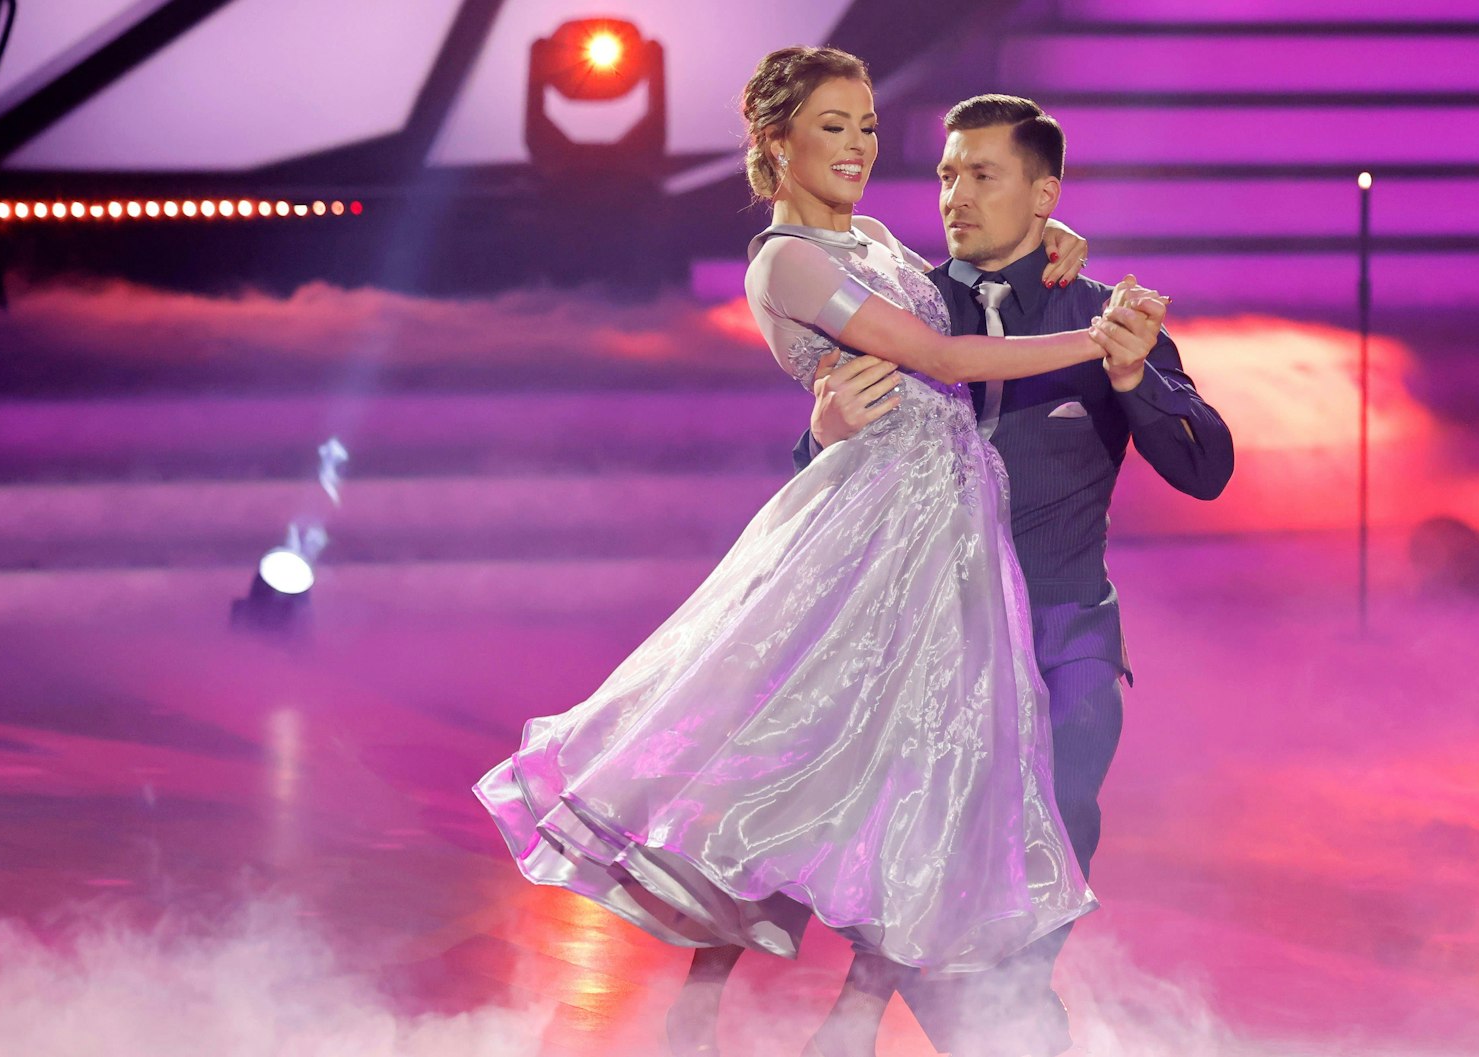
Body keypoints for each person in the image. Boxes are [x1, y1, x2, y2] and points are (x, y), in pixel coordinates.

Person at [472, 48, 1171, 1057]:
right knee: (788, 751)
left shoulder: (881, 239)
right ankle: (699, 1013)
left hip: (952, 535)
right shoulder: (784, 259)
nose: (856, 146)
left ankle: (846, 1018)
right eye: (832, 125)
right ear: (777, 142)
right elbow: (937, 356)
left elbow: (957, 291)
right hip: (873, 527)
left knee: (927, 771)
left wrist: (1050, 236)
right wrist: (1100, 338)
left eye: (866, 125)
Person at [797, 94, 1234, 1057]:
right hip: (928, 645)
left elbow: (1209, 467)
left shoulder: (1102, 321)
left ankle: (1000, 1005)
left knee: (1062, 801)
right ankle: (977, 1023)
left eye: (983, 174)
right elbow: (815, 481)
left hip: (1061, 630)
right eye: (948, 173)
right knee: (914, 831)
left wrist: (1134, 382)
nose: (954, 194)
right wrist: (821, 434)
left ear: (1046, 195)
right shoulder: (905, 311)